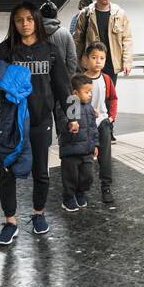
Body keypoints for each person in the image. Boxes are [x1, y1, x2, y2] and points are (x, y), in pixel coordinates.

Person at [0, 2, 70, 246]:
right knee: (7, 171)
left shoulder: (50, 51)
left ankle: (38, 214)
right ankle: (10, 222)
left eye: (29, 19)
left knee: (41, 172)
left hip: (41, 121)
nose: (25, 24)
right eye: (19, 20)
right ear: (14, 23)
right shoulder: (6, 49)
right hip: (12, 122)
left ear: (36, 21)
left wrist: (72, 116)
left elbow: (64, 86)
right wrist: (7, 90)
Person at [72, 0, 133, 87]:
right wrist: (76, 62)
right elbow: (77, 40)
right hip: (91, 63)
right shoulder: (86, 14)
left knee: (109, 97)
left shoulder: (120, 14)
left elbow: (127, 39)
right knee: (90, 95)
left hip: (111, 63)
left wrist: (127, 61)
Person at [79, 41, 118, 207]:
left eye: (101, 58)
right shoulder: (79, 80)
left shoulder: (107, 79)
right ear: (86, 59)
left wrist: (111, 118)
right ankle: (80, 188)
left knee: (105, 156)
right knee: (84, 156)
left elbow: (113, 99)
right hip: (85, 124)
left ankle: (106, 186)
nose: (98, 61)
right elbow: (73, 101)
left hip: (102, 122)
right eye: (94, 57)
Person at [58, 74, 100, 213]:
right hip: (71, 150)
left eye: (90, 92)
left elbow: (93, 128)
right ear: (75, 93)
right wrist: (69, 124)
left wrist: (95, 144)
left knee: (88, 175)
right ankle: (68, 198)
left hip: (87, 150)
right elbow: (62, 121)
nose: (90, 95)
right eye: (86, 92)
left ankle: (80, 192)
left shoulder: (89, 107)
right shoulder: (68, 105)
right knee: (70, 176)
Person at [39, 0, 78, 77]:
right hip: (61, 76)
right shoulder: (65, 32)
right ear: (56, 14)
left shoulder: (33, 33)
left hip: (40, 78)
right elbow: (72, 58)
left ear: (40, 15)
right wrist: (68, 77)